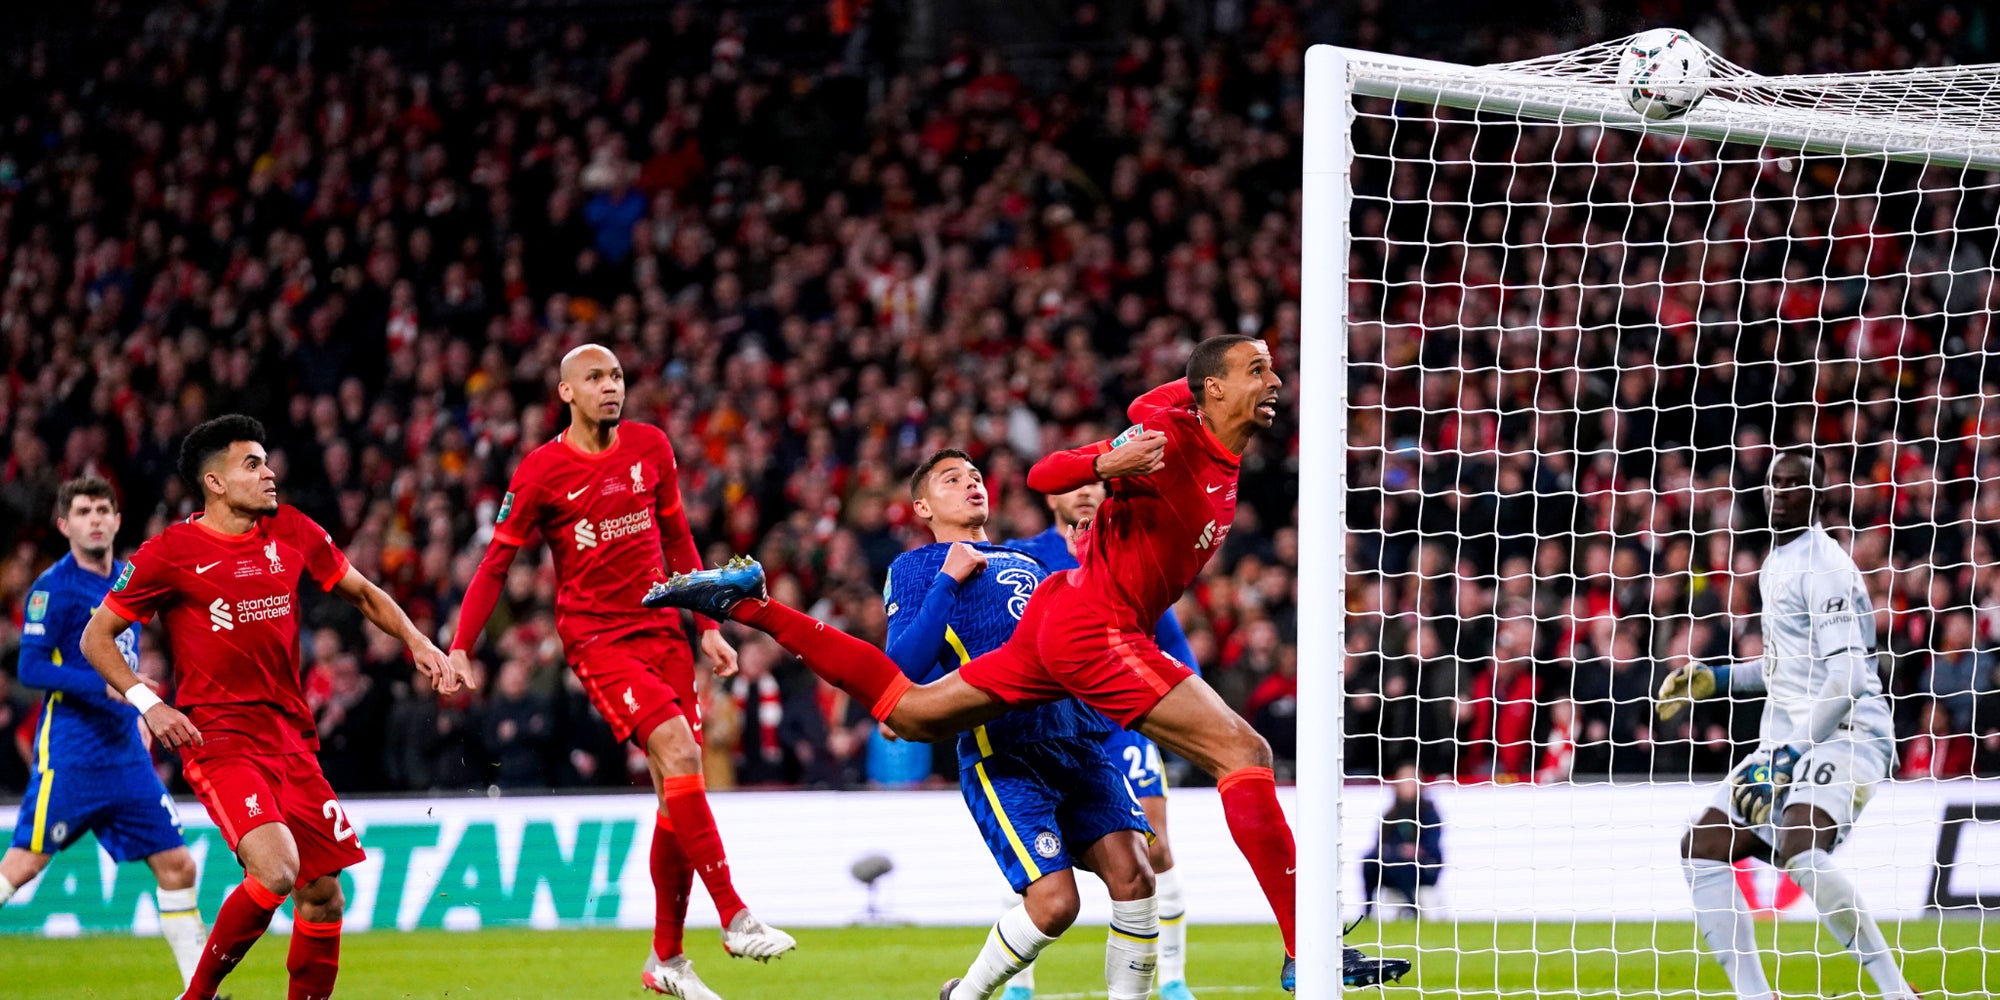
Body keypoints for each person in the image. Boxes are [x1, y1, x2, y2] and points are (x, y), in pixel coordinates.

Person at [647, 336, 1409, 992]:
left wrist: (1188, 389)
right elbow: (1049, 475)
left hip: (1064, 636)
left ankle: (752, 607)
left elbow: (1155, 401)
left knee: (917, 719)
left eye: (1274, 370)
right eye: (1257, 370)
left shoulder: (1190, 448)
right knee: (1243, 753)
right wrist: (1107, 461)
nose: (1275, 382)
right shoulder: (1166, 446)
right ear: (1215, 389)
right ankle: (1306, 951)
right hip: (1088, 637)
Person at [80, 415, 472, 1000]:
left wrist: (417, 641)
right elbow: (96, 636)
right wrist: (147, 703)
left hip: (291, 738)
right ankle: (198, 996)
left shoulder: (291, 530)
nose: (269, 474)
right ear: (214, 483)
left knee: (323, 893)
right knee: (277, 869)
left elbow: (362, 591)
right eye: (252, 464)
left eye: (266, 461)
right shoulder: (170, 553)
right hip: (219, 737)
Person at [446, 343, 793, 1000]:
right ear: (566, 393)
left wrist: (709, 624)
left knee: (675, 790)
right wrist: (462, 645)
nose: (612, 387)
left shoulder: (651, 447)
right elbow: (495, 564)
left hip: (664, 628)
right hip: (599, 638)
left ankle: (667, 960)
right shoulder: (541, 471)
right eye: (596, 378)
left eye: (618, 377)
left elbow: (679, 537)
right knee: (679, 748)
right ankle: (734, 915)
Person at [885, 449, 1157, 1000]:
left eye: (977, 476)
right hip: (1003, 749)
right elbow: (903, 667)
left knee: (1137, 877)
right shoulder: (913, 567)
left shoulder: (1025, 561)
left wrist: (1090, 573)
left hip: (1076, 738)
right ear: (922, 505)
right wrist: (948, 580)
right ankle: (966, 995)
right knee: (1057, 904)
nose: (971, 484)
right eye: (952, 479)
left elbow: (1083, 638)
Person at [1657, 449, 1916, 1000]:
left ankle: (1898, 992)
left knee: (1800, 842)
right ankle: (1756, 996)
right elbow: (1786, 670)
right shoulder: (1777, 563)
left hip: (1848, 734)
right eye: (1777, 484)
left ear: (1817, 496)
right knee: (1700, 846)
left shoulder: (1827, 569)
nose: (1782, 494)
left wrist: (1787, 757)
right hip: (1790, 741)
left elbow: (1845, 681)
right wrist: (1720, 679)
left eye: (1796, 485)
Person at [1, 477, 207, 989]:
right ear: (64, 524)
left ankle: (200, 990)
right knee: (23, 865)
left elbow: (130, 663)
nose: (95, 519)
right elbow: (29, 669)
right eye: (84, 511)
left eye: (103, 510)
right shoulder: (54, 587)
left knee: (179, 867)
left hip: (126, 756)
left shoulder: (129, 581)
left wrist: (135, 710)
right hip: (72, 753)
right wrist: (106, 686)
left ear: (117, 521)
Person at [1011, 480, 1200, 1000]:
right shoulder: (1021, 558)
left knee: (1155, 845)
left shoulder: (1129, 556)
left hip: (1122, 723)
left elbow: (1176, 646)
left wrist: (1186, 707)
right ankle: (1019, 985)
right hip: (1049, 728)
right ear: (1051, 498)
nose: (1086, 494)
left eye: (1096, 484)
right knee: (1036, 859)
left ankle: (1175, 980)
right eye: (1073, 487)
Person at [1358, 766, 1443, 919]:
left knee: (1398, 862)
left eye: (1411, 782)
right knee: (1370, 861)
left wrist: (1416, 850)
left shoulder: (1429, 814)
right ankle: (1368, 910)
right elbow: (1380, 844)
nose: (1407, 786)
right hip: (1391, 864)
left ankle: (1412, 907)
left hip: (1421, 869)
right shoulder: (1391, 814)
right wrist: (1397, 850)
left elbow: (1432, 846)